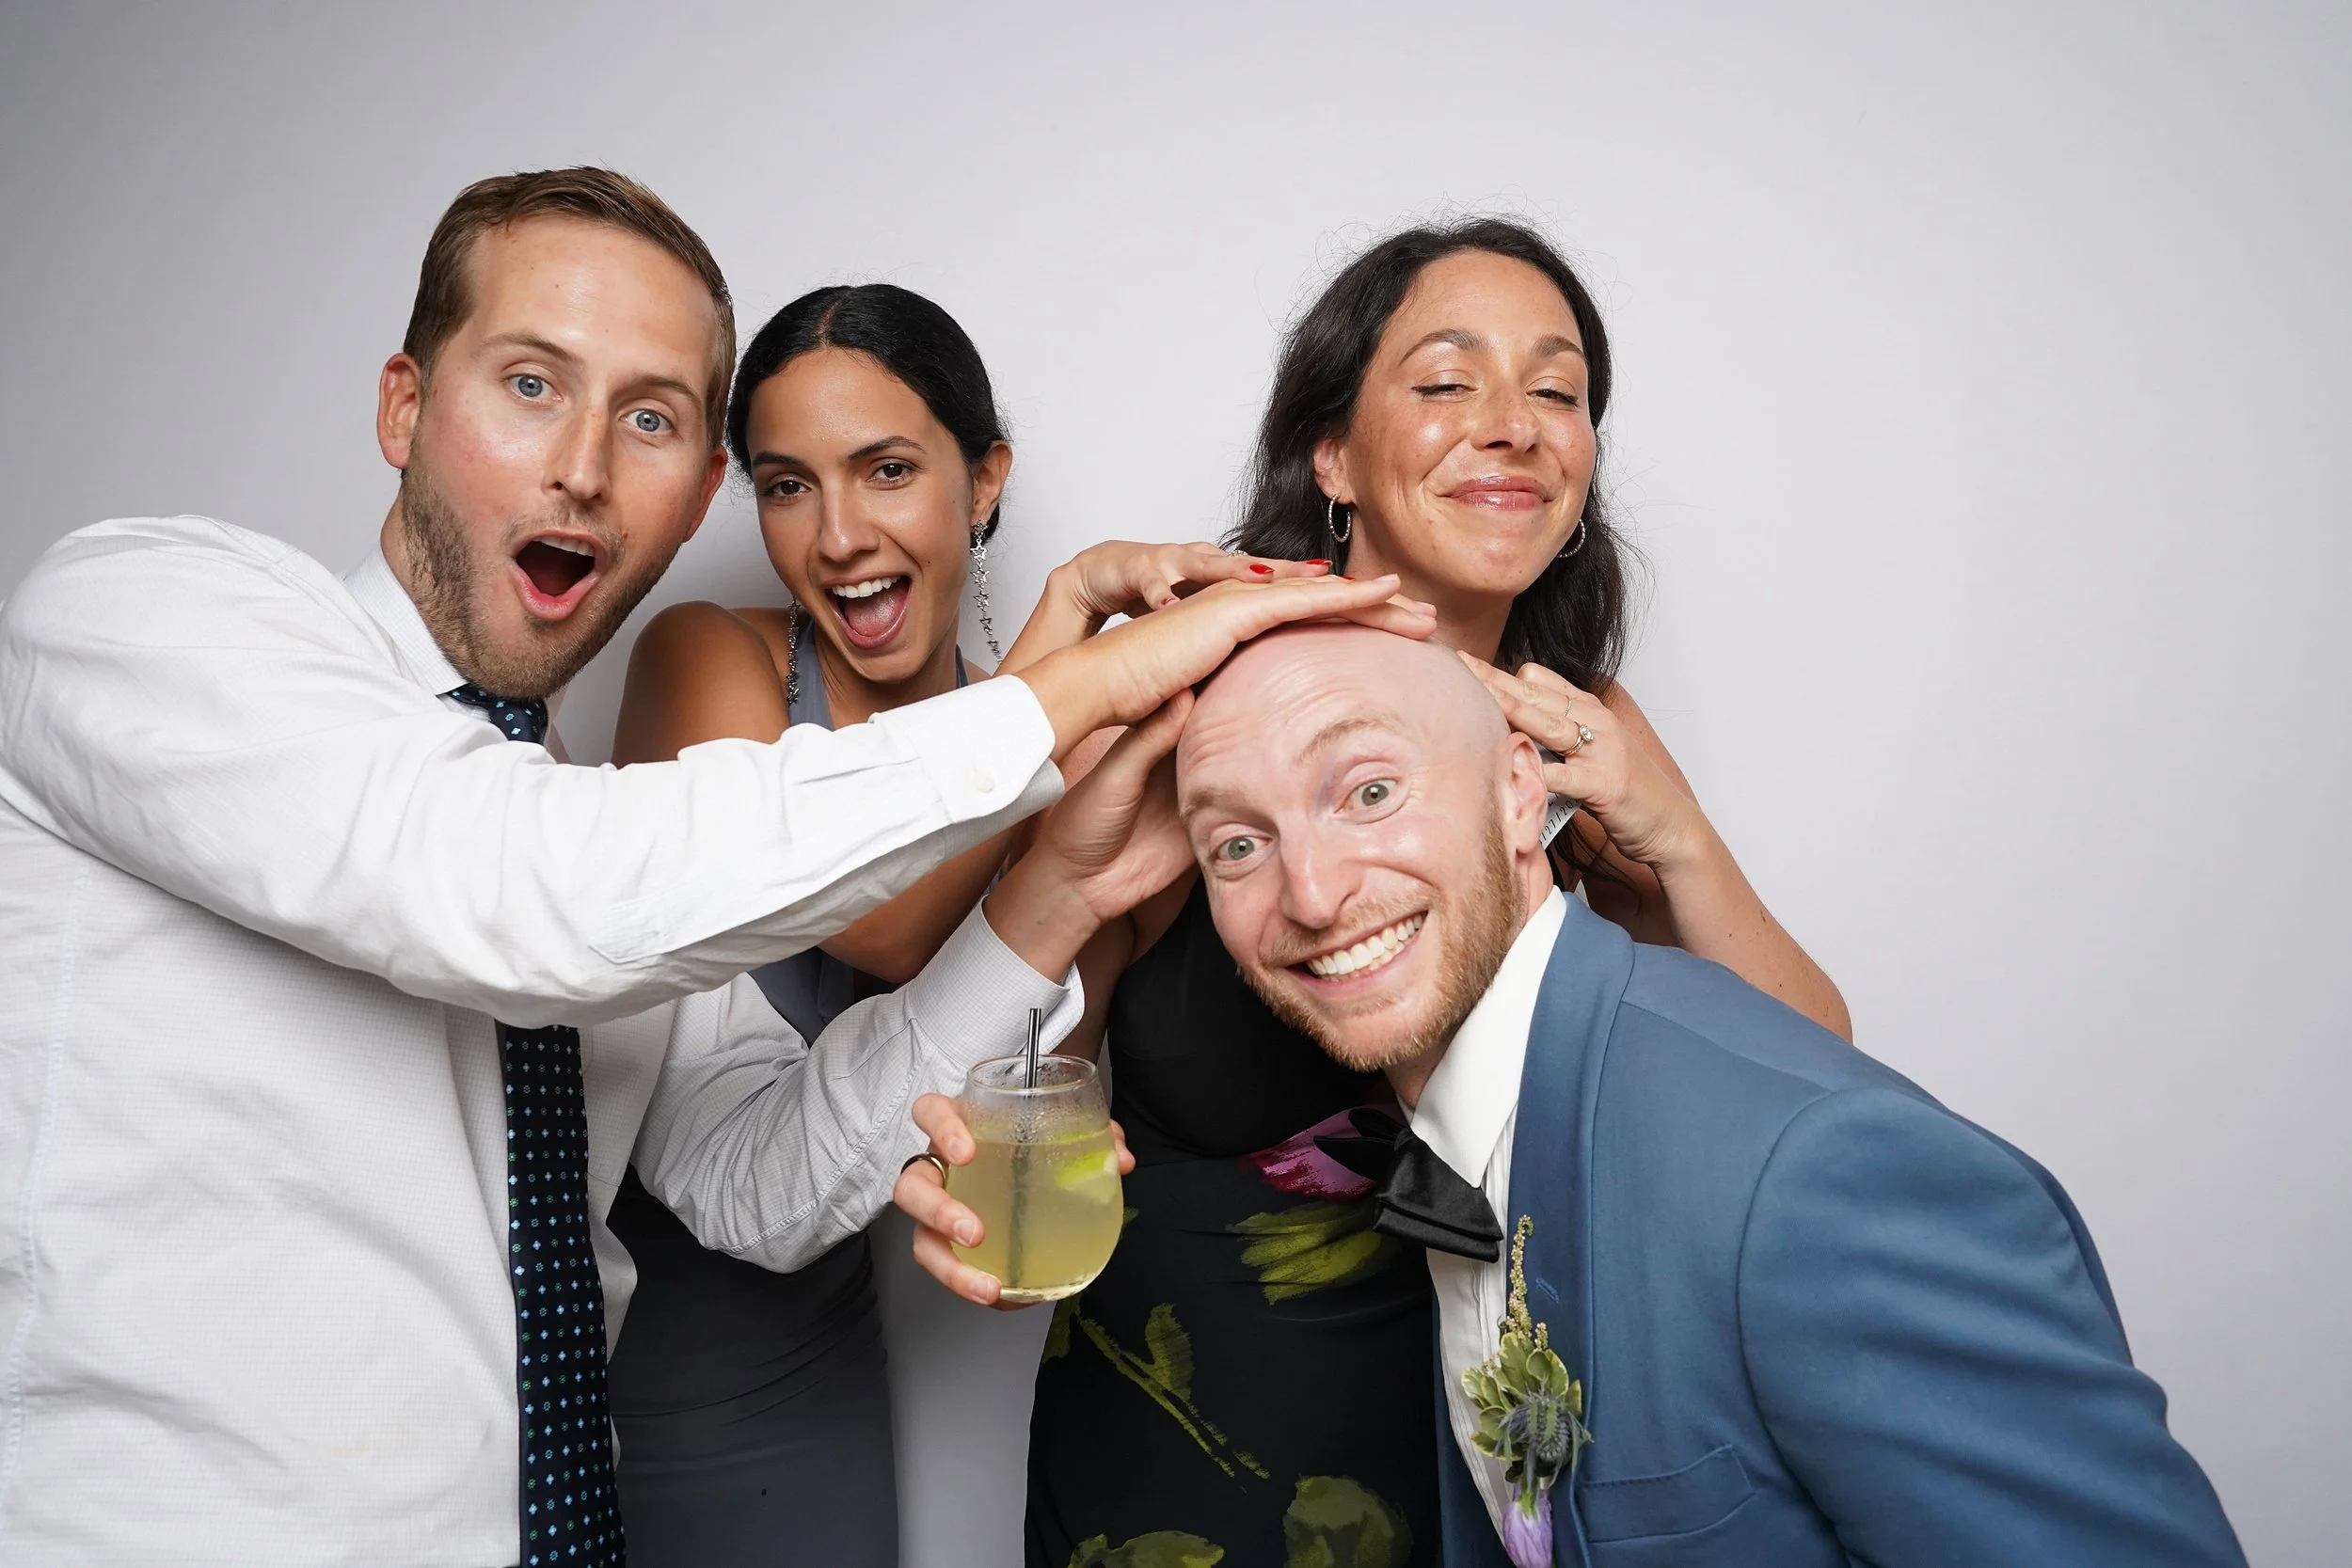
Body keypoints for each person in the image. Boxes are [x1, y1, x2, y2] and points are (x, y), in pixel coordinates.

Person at [0, 167, 1430, 1565]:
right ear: (403, 405)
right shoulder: (143, 613)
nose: (580, 463)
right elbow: (512, 892)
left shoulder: (605, 841)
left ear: (692, 499)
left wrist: (1068, 888)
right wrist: (1056, 703)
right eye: (530, 383)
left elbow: (767, 1180)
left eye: (649, 418)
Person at [907, 623, 2247, 1568]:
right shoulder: (1473, 1128)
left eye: (1369, 789)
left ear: (1517, 790)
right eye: (1239, 843)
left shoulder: (1813, 1175)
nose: (1310, 894)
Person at [1009, 220, 1852, 1566]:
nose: (1513, 426)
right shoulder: (1192, 704)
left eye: (1558, 390)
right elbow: (1008, 1066)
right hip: (1200, 1456)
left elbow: (1809, 1079)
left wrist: (1676, 834)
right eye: (1449, 383)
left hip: (1523, 1439)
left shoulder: (1580, 729)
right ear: (1332, 454)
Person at [599, 281, 1323, 1564]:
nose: (836, 535)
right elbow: (875, 924)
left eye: (885, 469)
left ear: (983, 478)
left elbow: (1037, 1065)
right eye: (785, 484)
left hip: (808, 1356)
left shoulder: (1067, 750)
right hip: (655, 1332)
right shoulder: (712, 659)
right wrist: (1063, 637)